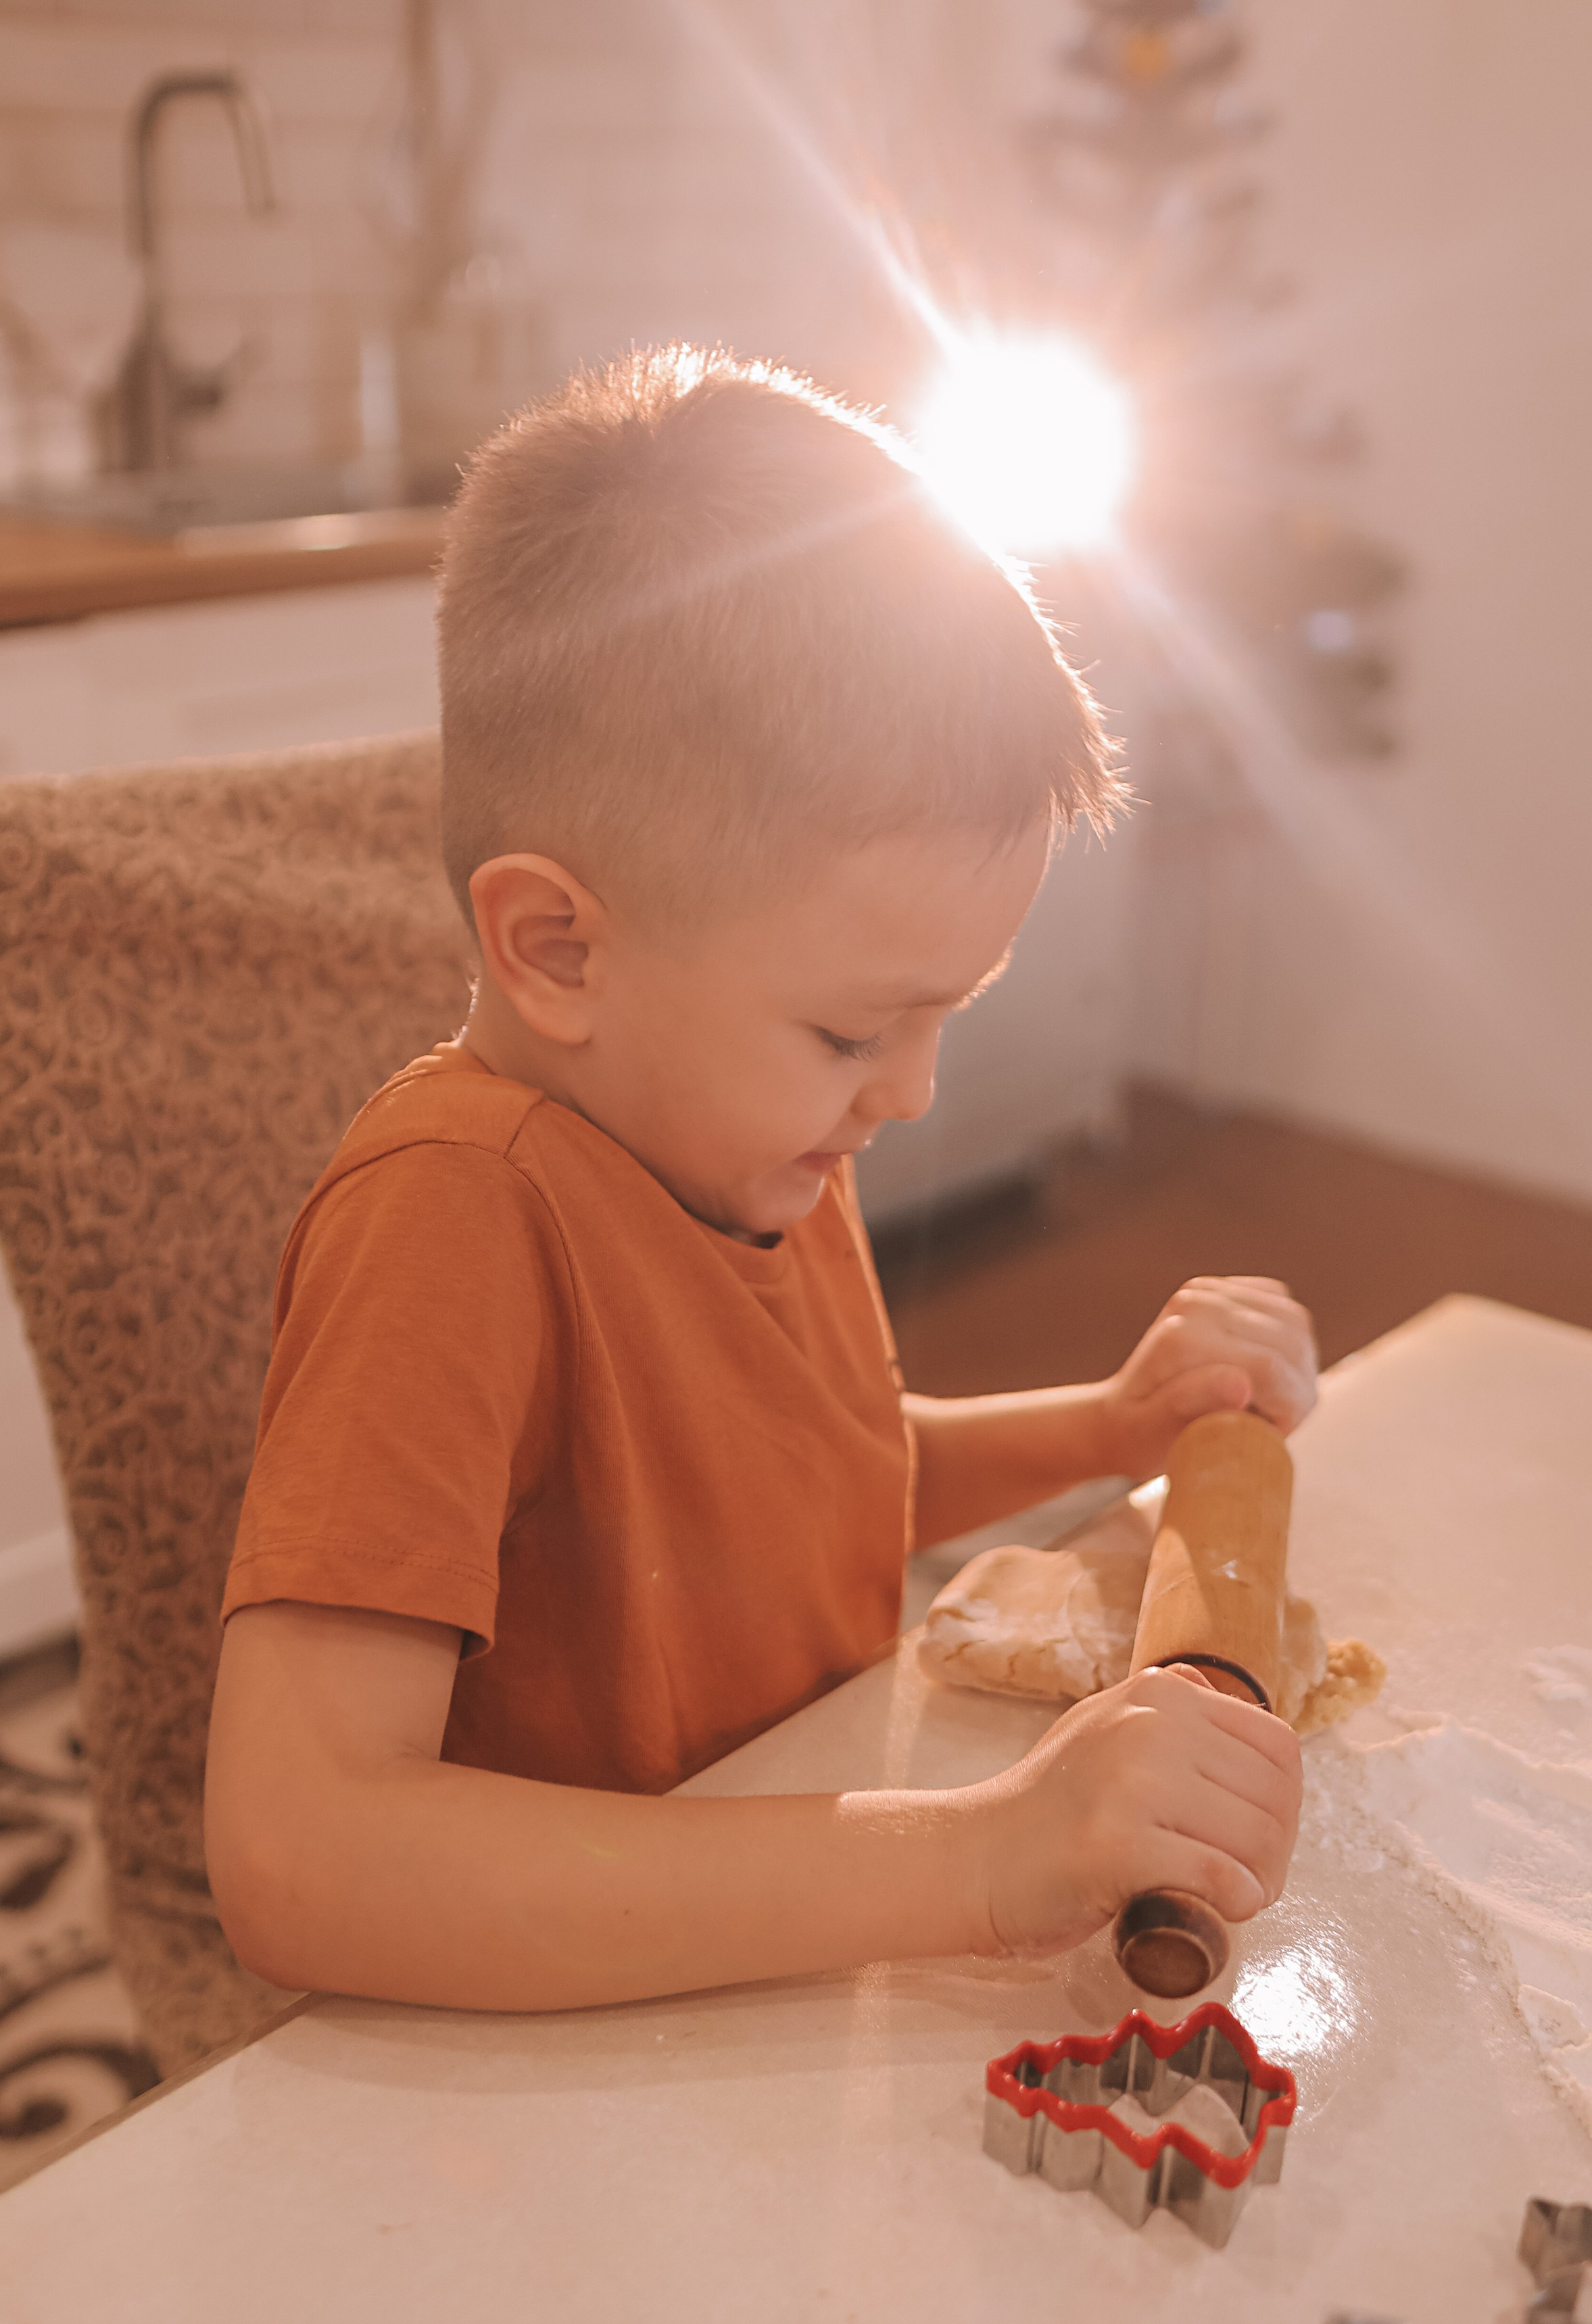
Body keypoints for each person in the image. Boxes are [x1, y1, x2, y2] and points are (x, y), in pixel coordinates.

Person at [205, 347, 1311, 2012]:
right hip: (526, 2072)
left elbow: (796, 1483)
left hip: (768, 1964)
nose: (909, 1092)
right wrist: (977, 1856)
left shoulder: (737, 1123)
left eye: (941, 1016)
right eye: (854, 1027)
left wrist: (1105, 1428)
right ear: (557, 947)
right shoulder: (454, 1220)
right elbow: (303, 1853)